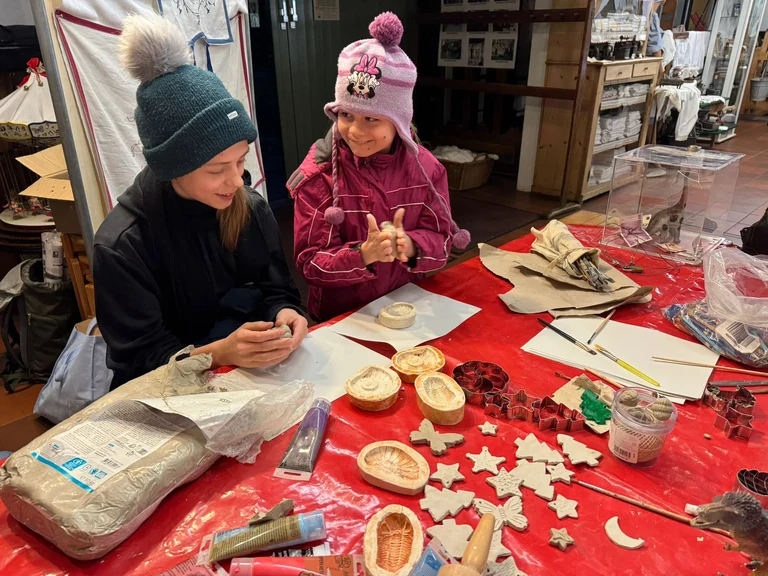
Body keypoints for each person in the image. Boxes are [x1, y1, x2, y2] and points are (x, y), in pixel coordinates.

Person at [93, 14, 307, 388]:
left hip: (255, 378)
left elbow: (277, 288)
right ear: (173, 167)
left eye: (241, 161)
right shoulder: (123, 247)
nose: (236, 179)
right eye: (216, 169)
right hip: (168, 396)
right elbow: (139, 360)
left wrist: (287, 311)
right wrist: (218, 353)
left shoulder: (249, 208)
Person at [290, 12, 469, 322]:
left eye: (371, 119)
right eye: (346, 116)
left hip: (407, 309)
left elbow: (442, 241)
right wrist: (363, 254)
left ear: (399, 121)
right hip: (343, 318)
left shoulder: (426, 170)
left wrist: (412, 246)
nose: (356, 131)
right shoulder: (318, 176)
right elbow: (309, 263)